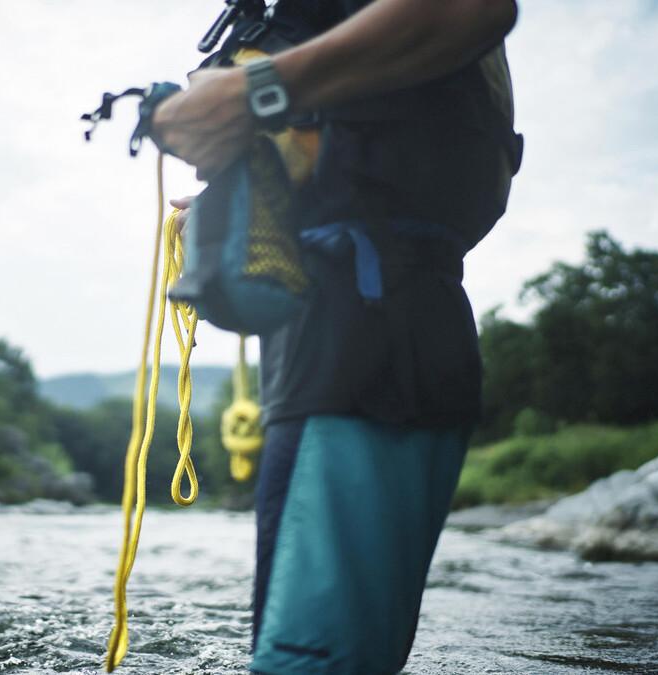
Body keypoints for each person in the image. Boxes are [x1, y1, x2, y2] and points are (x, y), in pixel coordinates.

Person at [151, 1, 522, 673]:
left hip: (367, 333)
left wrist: (254, 91)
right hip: (357, 330)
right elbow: (355, 145)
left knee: (309, 662)